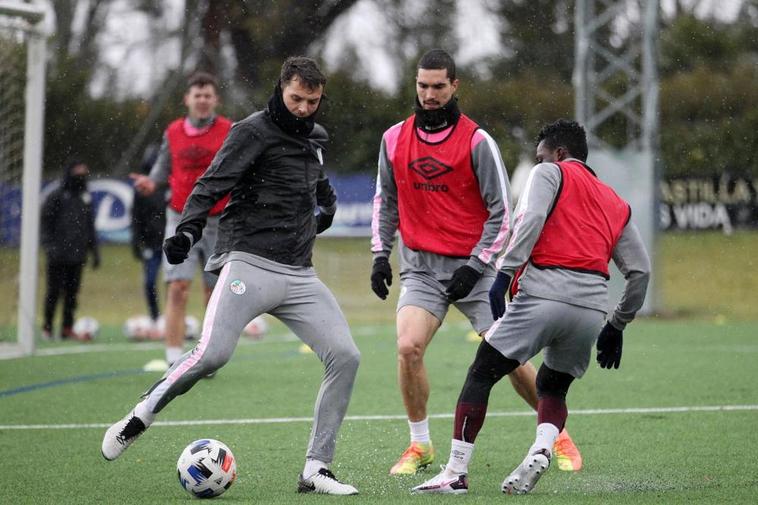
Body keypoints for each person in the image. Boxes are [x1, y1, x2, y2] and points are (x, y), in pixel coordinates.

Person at [102, 57, 361, 495]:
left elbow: (314, 176)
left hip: (299, 274)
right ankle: (140, 414)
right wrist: (186, 230)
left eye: (311, 101)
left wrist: (329, 203)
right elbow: (209, 184)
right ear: (281, 89)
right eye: (295, 98)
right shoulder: (251, 131)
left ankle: (316, 468)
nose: (302, 108)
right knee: (212, 356)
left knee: (347, 356)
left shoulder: (316, 136)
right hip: (248, 263)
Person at [370, 49, 582, 475]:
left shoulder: (477, 141)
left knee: (509, 358)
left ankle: (557, 434)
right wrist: (379, 254)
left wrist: (476, 264)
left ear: (454, 86)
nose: (429, 95)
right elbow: (385, 201)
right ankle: (420, 447)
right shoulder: (393, 138)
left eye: (438, 87)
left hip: (477, 270)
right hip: (422, 269)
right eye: (422, 86)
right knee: (408, 347)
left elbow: (503, 212)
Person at [412, 119, 651, 495]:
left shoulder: (549, 172)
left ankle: (455, 473)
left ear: (558, 154)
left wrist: (504, 273)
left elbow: (533, 217)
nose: (538, 162)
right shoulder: (615, 201)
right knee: (552, 387)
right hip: (590, 309)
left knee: (481, 373)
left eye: (541, 156)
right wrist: (617, 326)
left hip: (543, 294)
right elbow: (640, 272)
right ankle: (542, 447)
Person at [130, 72, 232, 369]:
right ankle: (174, 358)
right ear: (187, 99)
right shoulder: (173, 131)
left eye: (207, 95)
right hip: (181, 219)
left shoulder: (229, 130)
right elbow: (164, 166)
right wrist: (152, 182)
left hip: (219, 220)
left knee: (214, 293)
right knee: (177, 287)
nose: (202, 100)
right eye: (196, 95)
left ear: (215, 100)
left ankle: (208, 356)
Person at [40, 159, 100, 341]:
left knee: (72, 294)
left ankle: (67, 327)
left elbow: (89, 227)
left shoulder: (85, 197)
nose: (82, 177)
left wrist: (94, 251)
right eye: (78, 172)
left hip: (77, 254)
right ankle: (48, 327)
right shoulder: (56, 196)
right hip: (57, 254)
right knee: (54, 292)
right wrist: (49, 246)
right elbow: (45, 223)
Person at [130, 143, 165, 331]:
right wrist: (136, 241)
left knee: (176, 284)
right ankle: (155, 317)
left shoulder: (171, 184)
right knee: (150, 281)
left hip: (172, 244)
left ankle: (173, 318)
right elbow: (135, 216)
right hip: (151, 244)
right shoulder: (141, 189)